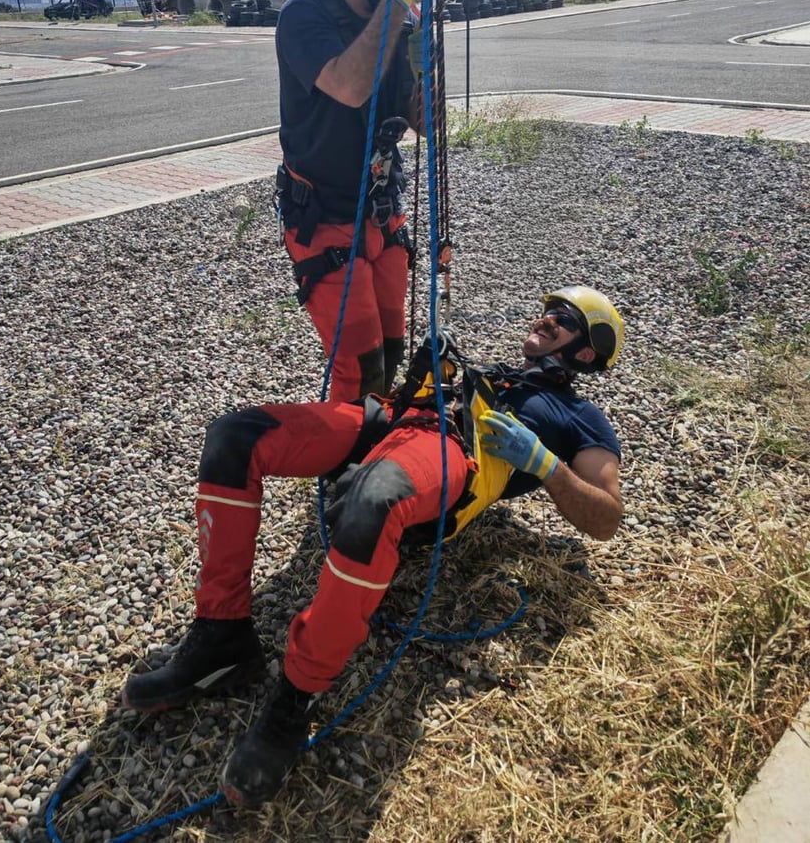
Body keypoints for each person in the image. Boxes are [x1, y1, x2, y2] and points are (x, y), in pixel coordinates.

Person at [121, 285, 625, 806]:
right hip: (393, 419)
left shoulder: (580, 418)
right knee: (235, 435)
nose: (544, 321)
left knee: (371, 499)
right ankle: (221, 634)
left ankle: (297, 698)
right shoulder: (503, 372)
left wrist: (544, 463)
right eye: (546, 311)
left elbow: (607, 517)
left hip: (454, 452)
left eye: (561, 319)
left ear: (585, 353)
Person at [273, 0, 458, 401]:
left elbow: (429, 128)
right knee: (360, 370)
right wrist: (398, 2)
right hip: (324, 217)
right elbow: (351, 88)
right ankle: (343, 472)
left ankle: (374, 450)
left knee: (393, 350)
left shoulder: (402, 19)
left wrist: (427, 71)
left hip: (383, 210)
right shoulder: (305, 15)